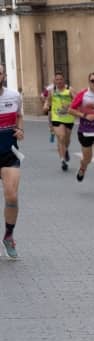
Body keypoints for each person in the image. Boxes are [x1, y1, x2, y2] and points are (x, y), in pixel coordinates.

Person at [69, 72, 94, 195]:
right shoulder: (83, 94)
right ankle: (82, 168)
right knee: (87, 158)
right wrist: (84, 115)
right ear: (89, 82)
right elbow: (70, 109)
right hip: (85, 130)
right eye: (92, 80)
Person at [0, 65, 24, 259]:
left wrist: (20, 130)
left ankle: (8, 236)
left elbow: (19, 116)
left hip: (9, 153)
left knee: (12, 196)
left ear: (4, 75)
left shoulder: (14, 96)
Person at [42, 71, 74, 171]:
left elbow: (76, 100)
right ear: (54, 81)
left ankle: (66, 149)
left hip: (68, 117)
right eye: (57, 79)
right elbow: (48, 101)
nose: (59, 81)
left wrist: (69, 105)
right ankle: (62, 160)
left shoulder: (69, 90)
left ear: (64, 80)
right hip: (56, 117)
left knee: (67, 139)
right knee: (61, 136)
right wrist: (46, 106)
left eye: (61, 79)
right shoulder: (52, 91)